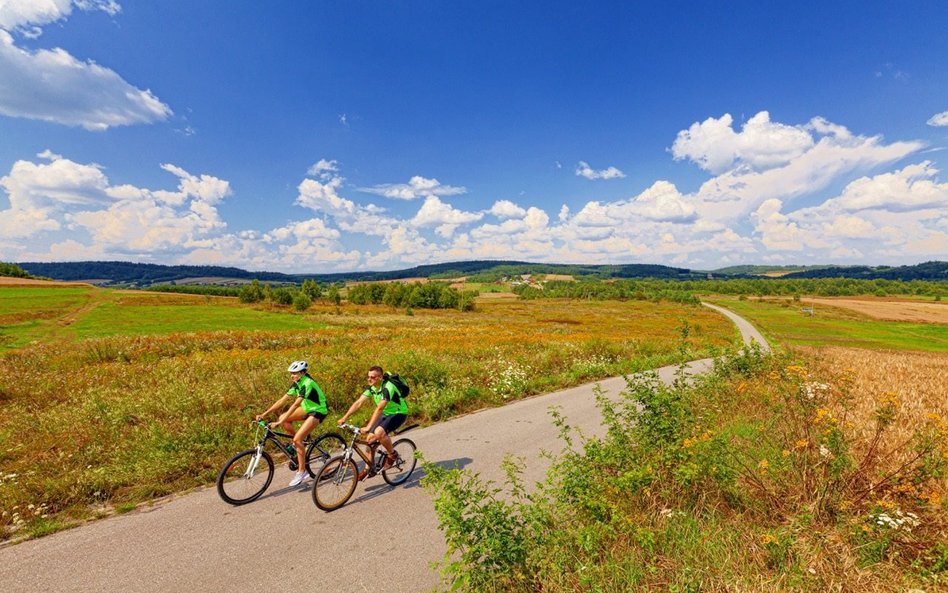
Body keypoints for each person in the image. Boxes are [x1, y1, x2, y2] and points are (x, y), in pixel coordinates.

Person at [256, 360, 329, 487]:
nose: (292, 375)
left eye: (294, 373)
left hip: (318, 410)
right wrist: (264, 414)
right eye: (291, 373)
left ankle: (302, 471)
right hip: (307, 409)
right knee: (284, 417)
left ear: (302, 372)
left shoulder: (308, 383)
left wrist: (279, 422)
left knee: (295, 437)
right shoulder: (297, 383)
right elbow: (282, 400)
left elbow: (295, 404)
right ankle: (300, 442)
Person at [336, 365, 408, 479]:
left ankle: (392, 455)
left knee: (379, 432)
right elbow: (359, 402)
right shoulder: (371, 387)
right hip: (386, 413)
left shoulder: (388, 387)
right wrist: (344, 417)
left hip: (398, 413)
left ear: (380, 377)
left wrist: (369, 426)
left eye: (373, 377)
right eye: (368, 377)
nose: (369, 379)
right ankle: (368, 469)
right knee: (369, 439)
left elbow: (379, 408)